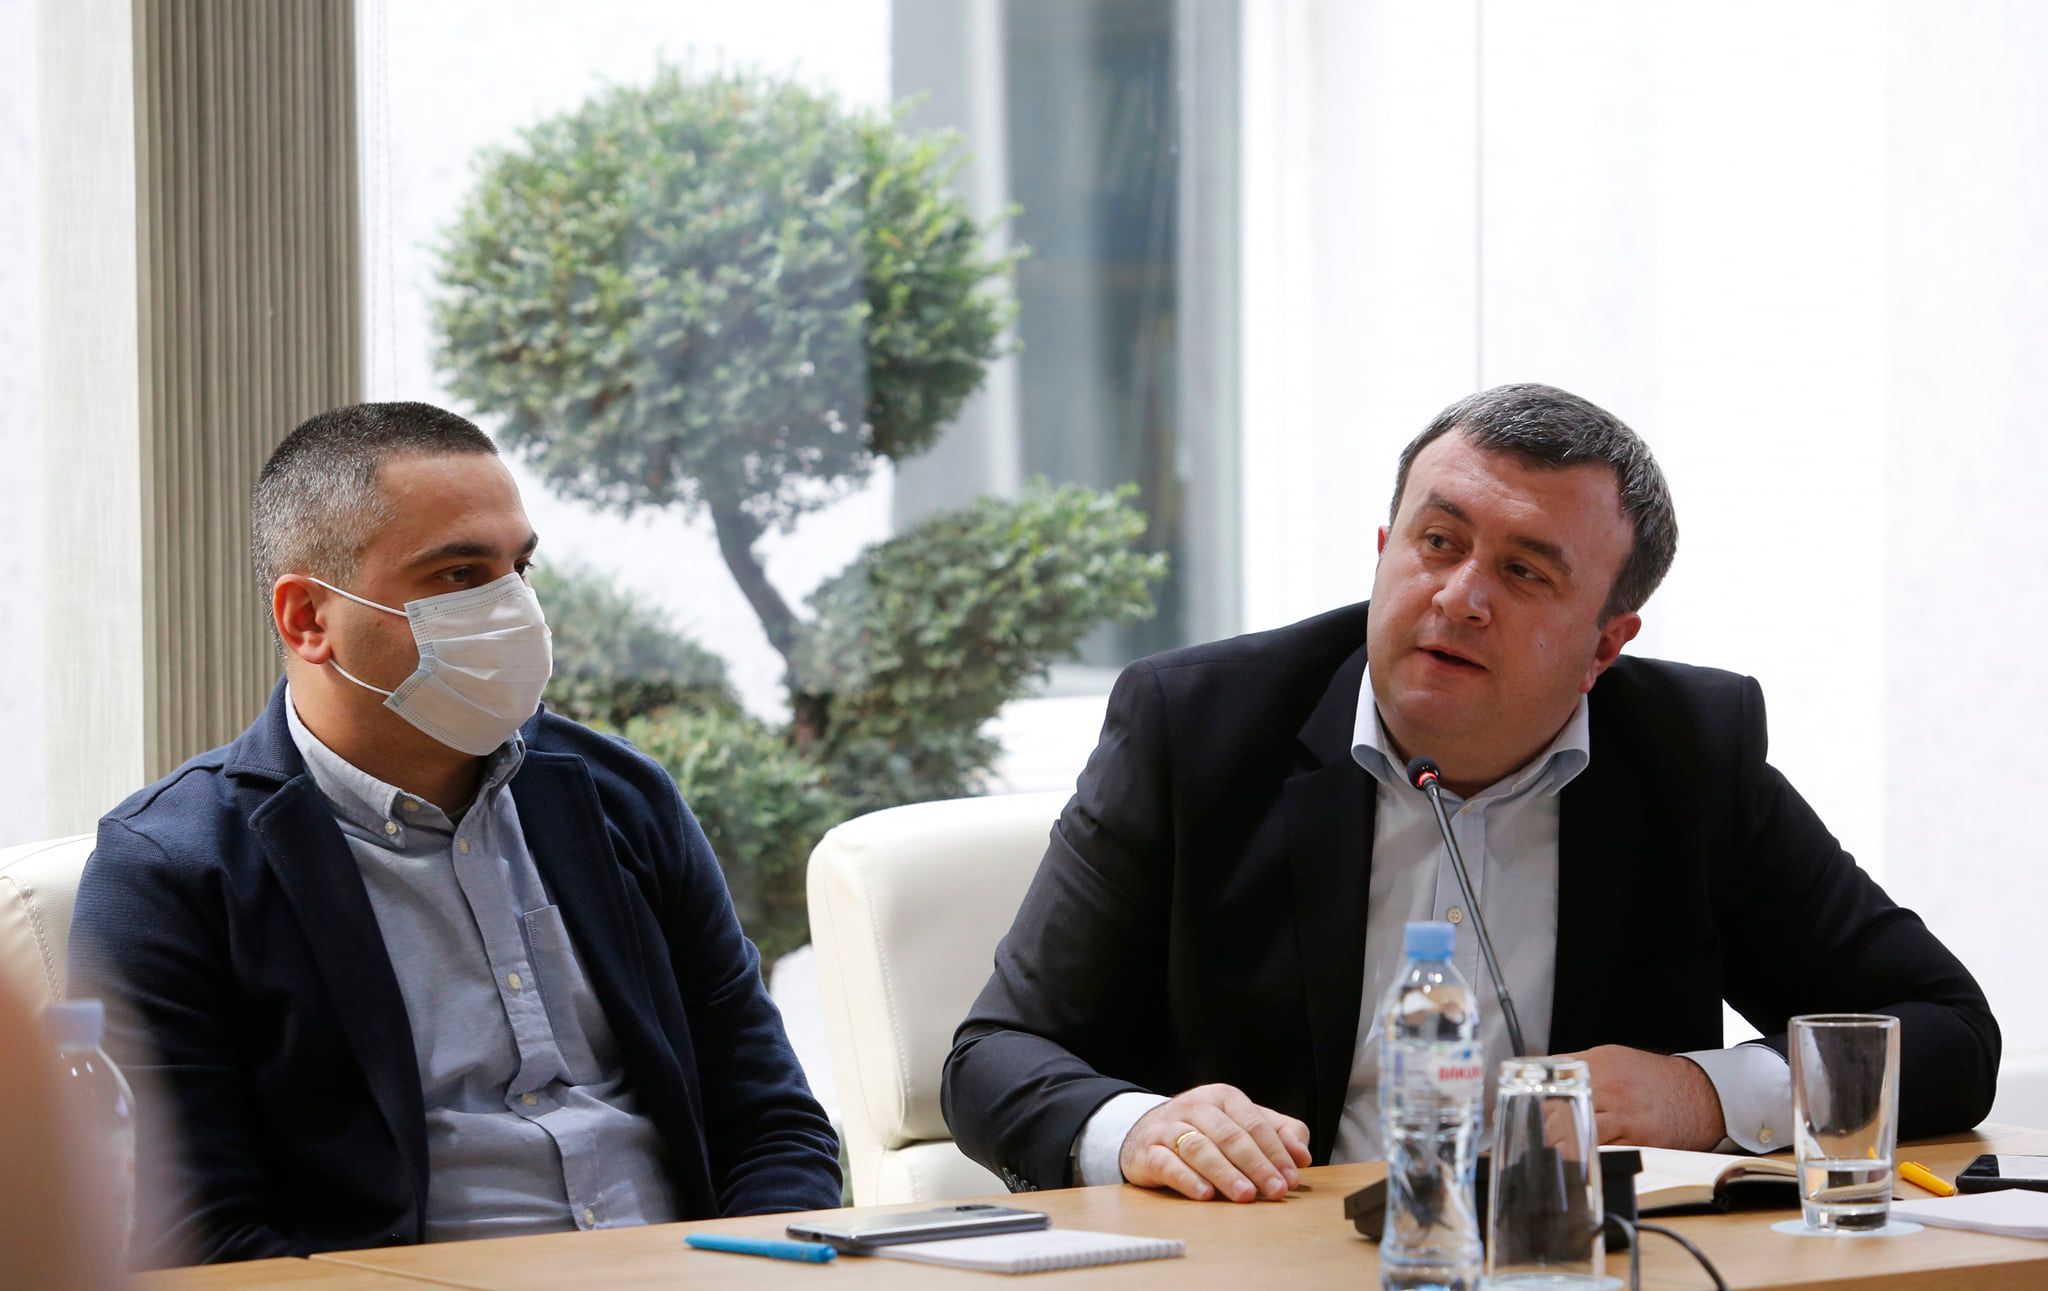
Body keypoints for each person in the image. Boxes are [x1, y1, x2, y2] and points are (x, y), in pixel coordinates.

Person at [943, 383, 1999, 1205]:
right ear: (1382, 552)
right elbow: (994, 1055)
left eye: (1526, 572)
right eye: (1437, 542)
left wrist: (1701, 1093)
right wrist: (1139, 1127)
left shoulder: (1688, 758)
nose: (1459, 598)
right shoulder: (1197, 727)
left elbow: (1947, 1033)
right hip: (1269, 1256)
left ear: (1605, 644)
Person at [68, 402, 841, 1266]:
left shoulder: (623, 799)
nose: (514, 607)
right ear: (307, 618)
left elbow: (772, 1120)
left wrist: (756, 1276)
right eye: (460, 573)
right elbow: (198, 1234)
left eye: (521, 567)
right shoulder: (169, 870)